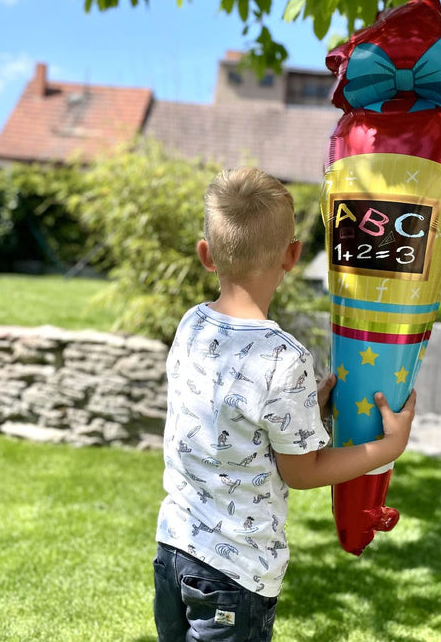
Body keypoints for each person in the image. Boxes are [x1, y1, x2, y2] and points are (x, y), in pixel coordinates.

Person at [153, 166, 416, 641]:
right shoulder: (283, 358)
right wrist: (387, 448)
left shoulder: (192, 325)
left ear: (206, 255)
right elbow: (301, 471)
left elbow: (229, 416)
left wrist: (305, 410)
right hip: (235, 575)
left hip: (174, 549)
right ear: (293, 255)